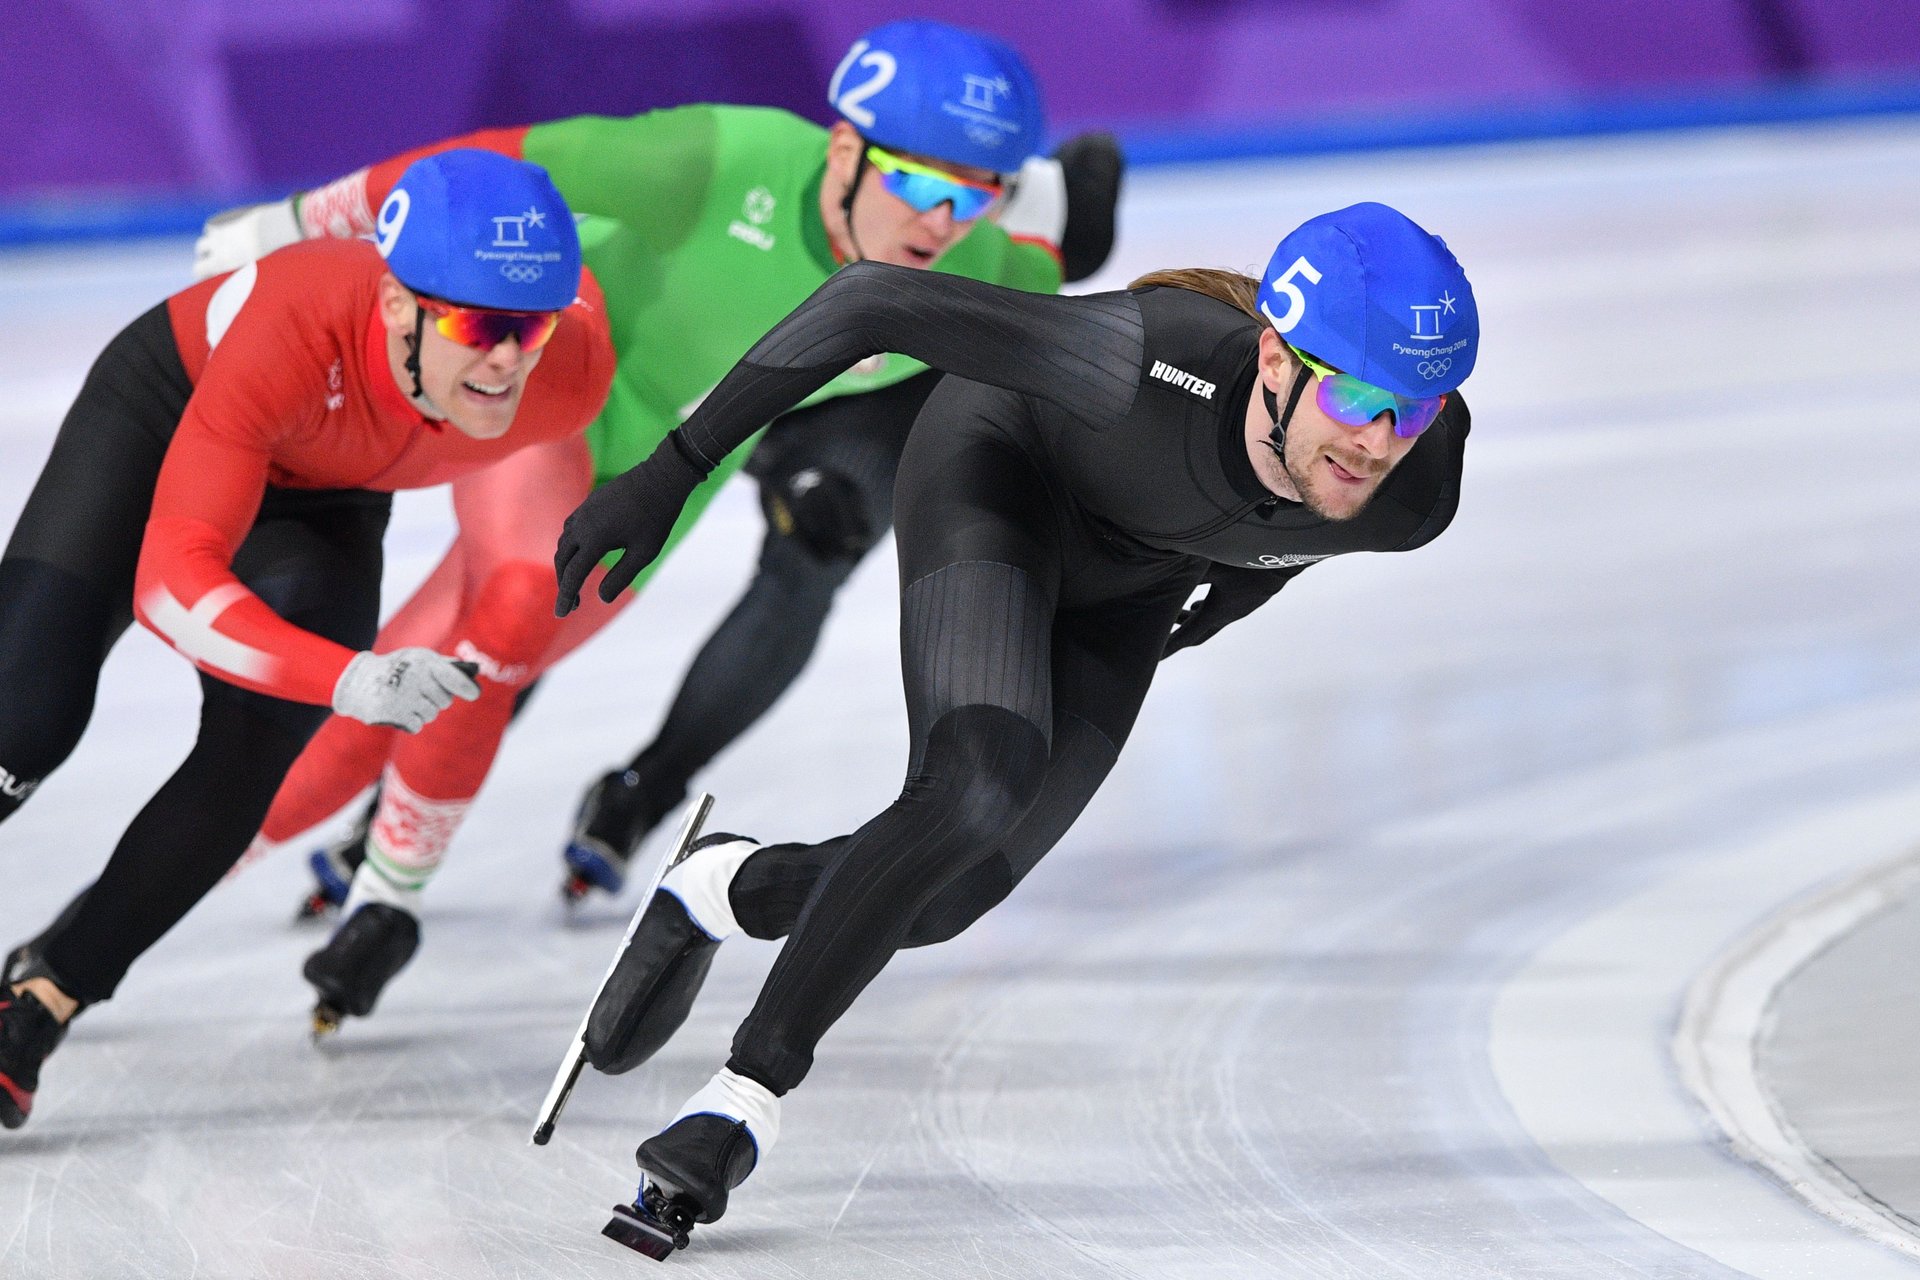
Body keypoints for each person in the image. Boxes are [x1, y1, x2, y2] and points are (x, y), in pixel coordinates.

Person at [550, 201, 1480, 1252]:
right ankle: (740, 1096)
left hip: (1134, 583)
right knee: (975, 783)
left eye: (1413, 408)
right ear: (1274, 357)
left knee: (941, 897)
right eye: (1357, 395)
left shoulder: (1416, 490)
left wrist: (1246, 582)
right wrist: (671, 469)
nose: (1376, 440)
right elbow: (872, 301)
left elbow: (1316, 513)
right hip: (998, 476)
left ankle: (721, 884)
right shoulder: (1138, 360)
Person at [192, 20, 1120, 1029]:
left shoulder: (983, 263)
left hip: (668, 475)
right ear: (845, 149)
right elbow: (500, 162)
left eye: (975, 190)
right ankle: (383, 889)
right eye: (920, 182)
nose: (941, 219)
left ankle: (185, 875)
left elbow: (1078, 303)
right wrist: (289, 223)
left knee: (442, 664)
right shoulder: (718, 159)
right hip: (558, 384)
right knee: (507, 613)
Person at [0, 150, 615, 1129]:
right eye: (475, 323)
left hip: (328, 492)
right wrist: (351, 677)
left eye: (529, 324)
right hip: (171, 413)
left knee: (257, 750)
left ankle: (39, 1000)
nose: (506, 358)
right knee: (21, 718)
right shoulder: (296, 327)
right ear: (398, 306)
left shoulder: (569, 374)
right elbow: (171, 583)